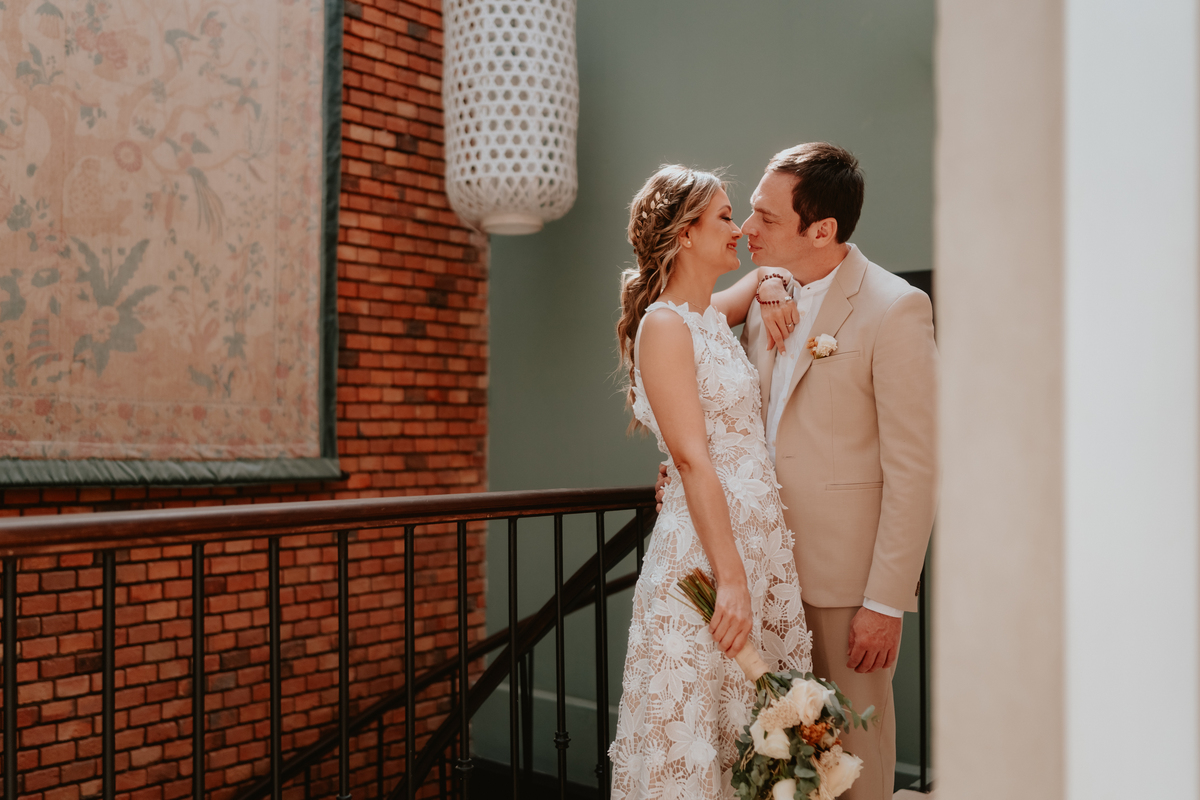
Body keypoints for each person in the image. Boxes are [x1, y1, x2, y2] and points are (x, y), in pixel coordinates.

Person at [659, 143, 938, 800]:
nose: (747, 230)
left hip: (846, 587)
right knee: (777, 760)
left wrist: (884, 600)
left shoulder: (896, 309)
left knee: (852, 761)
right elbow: (689, 358)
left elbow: (915, 469)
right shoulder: (765, 295)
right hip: (763, 573)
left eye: (766, 218)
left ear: (823, 231)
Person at [608, 165, 812, 800]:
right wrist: (730, 579)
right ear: (685, 233)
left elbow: (752, 282)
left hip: (759, 549)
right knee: (698, 736)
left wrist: (774, 279)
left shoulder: (702, 318)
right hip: (707, 559)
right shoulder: (663, 326)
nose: (739, 229)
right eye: (724, 216)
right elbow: (693, 460)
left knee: (750, 739)